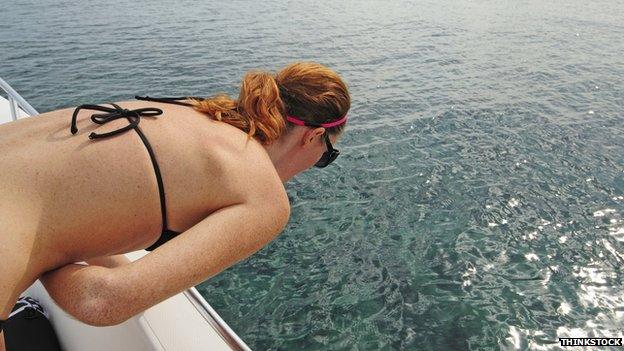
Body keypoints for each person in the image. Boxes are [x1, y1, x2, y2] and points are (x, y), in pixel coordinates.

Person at [0, 61, 350, 350]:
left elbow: (98, 196)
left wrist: (48, 236)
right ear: (313, 137)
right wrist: (44, 253)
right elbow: (101, 301)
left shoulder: (195, 109)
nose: (315, 164)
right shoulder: (266, 198)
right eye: (326, 157)